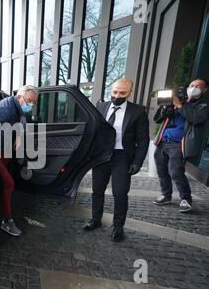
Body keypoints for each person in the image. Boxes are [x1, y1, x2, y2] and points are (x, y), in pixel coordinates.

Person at [84, 78, 150, 242]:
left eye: (122, 93)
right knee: (97, 191)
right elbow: (94, 131)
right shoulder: (101, 107)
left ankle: (118, 227)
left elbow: (143, 139)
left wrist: (137, 162)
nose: (117, 95)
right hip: (102, 156)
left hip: (122, 157)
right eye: (114, 92)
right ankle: (95, 220)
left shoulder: (138, 111)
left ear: (130, 93)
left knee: (120, 194)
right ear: (111, 90)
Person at [0, 85, 39, 236]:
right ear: (20, 97)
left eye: (34, 102)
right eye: (30, 101)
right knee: (8, 183)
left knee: (4, 184)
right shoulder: (5, 108)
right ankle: (6, 221)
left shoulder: (19, 108)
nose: (32, 105)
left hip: (5, 152)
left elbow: (22, 122)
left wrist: (19, 136)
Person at [153, 78, 209, 212]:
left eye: (198, 86)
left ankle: (186, 199)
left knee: (176, 172)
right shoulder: (178, 101)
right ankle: (166, 195)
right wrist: (166, 106)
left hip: (178, 144)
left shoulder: (203, 105)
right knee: (162, 171)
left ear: (204, 90)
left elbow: (197, 119)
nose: (194, 87)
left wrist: (180, 106)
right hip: (163, 142)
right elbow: (157, 119)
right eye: (192, 85)